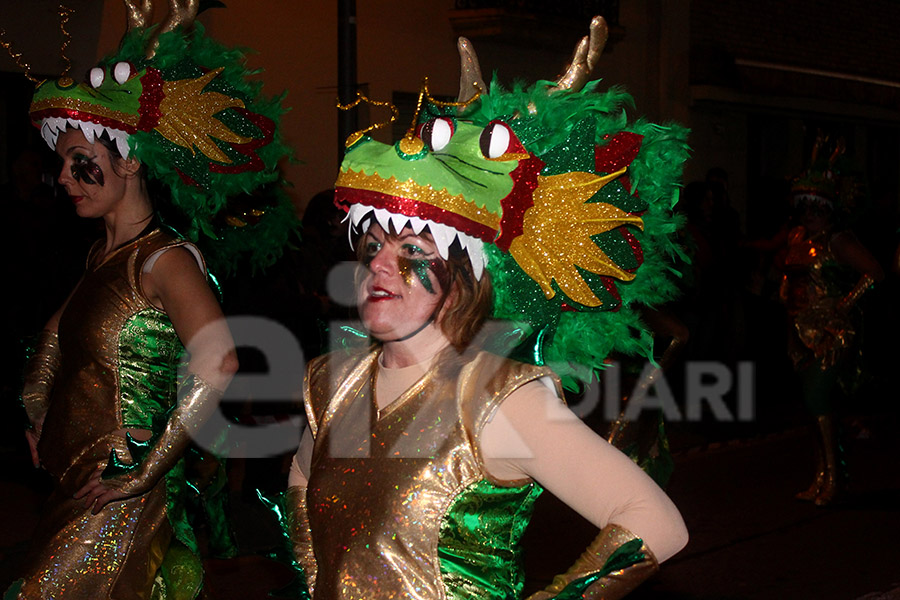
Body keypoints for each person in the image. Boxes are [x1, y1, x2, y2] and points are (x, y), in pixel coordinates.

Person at [282, 17, 689, 599]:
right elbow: (300, 485)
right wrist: (318, 574)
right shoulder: (332, 379)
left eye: (412, 250)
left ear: (465, 275)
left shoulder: (502, 397)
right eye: (372, 245)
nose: (377, 264)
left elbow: (654, 521)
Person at [4, 1, 293, 597]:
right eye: (61, 164)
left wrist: (144, 469)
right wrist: (36, 409)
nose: (62, 178)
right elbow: (57, 340)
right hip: (81, 482)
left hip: (119, 496)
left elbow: (222, 361)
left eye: (80, 163)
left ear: (130, 159)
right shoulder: (101, 256)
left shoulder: (166, 260)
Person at [779, 133, 884, 506]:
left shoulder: (840, 240)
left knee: (817, 398)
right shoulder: (796, 236)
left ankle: (835, 479)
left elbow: (875, 273)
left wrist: (844, 305)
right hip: (799, 328)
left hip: (832, 331)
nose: (811, 214)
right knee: (812, 406)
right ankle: (822, 476)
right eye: (805, 207)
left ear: (829, 208)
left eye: (817, 208)